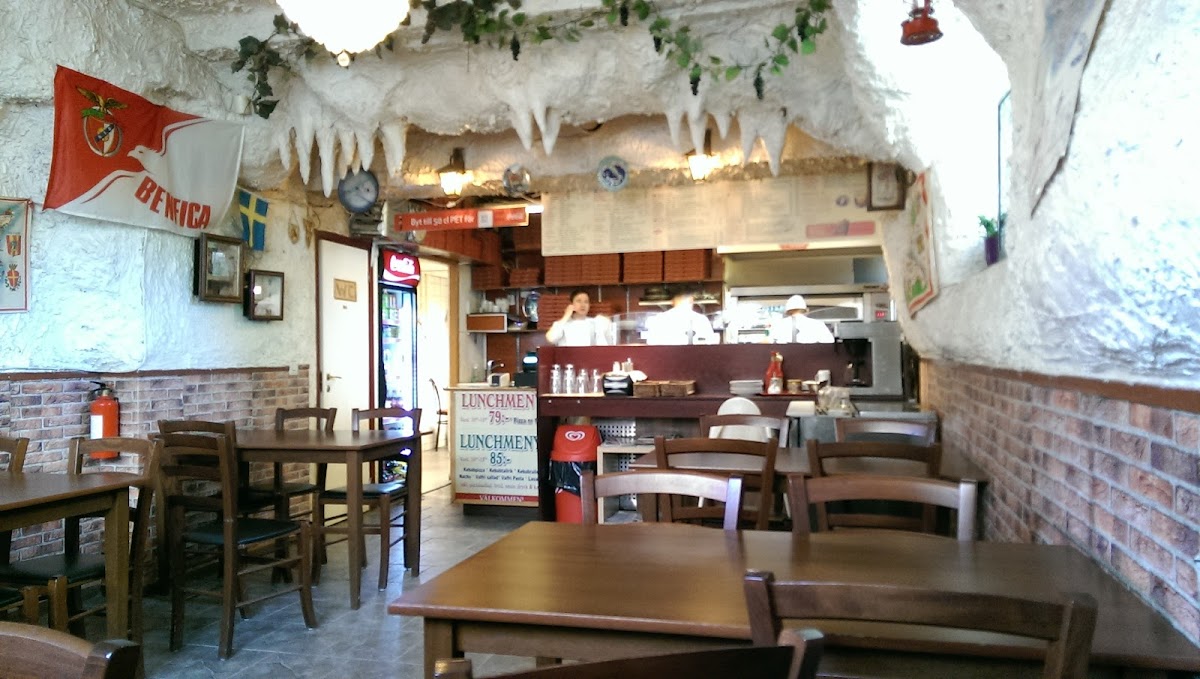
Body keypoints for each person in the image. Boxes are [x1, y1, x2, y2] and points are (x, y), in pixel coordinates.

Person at [646, 285, 717, 345]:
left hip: (665, 357)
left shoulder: (659, 319)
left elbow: (651, 344)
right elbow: (711, 344)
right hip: (694, 357)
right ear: (691, 300)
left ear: (672, 301)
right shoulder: (701, 320)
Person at [546, 289, 614, 346]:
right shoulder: (562, 324)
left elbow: (606, 345)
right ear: (571, 304)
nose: (582, 305)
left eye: (586, 302)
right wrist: (566, 316)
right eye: (579, 301)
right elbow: (551, 338)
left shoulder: (596, 322)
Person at [769, 294, 834, 344]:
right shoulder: (817, 324)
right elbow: (829, 343)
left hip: (784, 357)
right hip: (811, 356)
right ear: (807, 310)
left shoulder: (778, 325)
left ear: (787, 311)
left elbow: (770, 343)